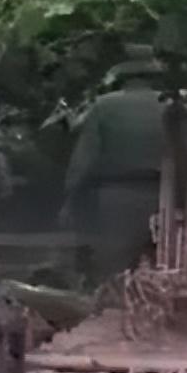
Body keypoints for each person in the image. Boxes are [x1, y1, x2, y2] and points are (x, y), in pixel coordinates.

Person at [62, 57, 168, 281]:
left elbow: (84, 160)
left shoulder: (104, 106)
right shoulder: (170, 105)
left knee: (114, 270)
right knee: (162, 267)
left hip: (118, 196)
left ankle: (113, 312)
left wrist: (71, 198)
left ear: (120, 79)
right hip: (166, 195)